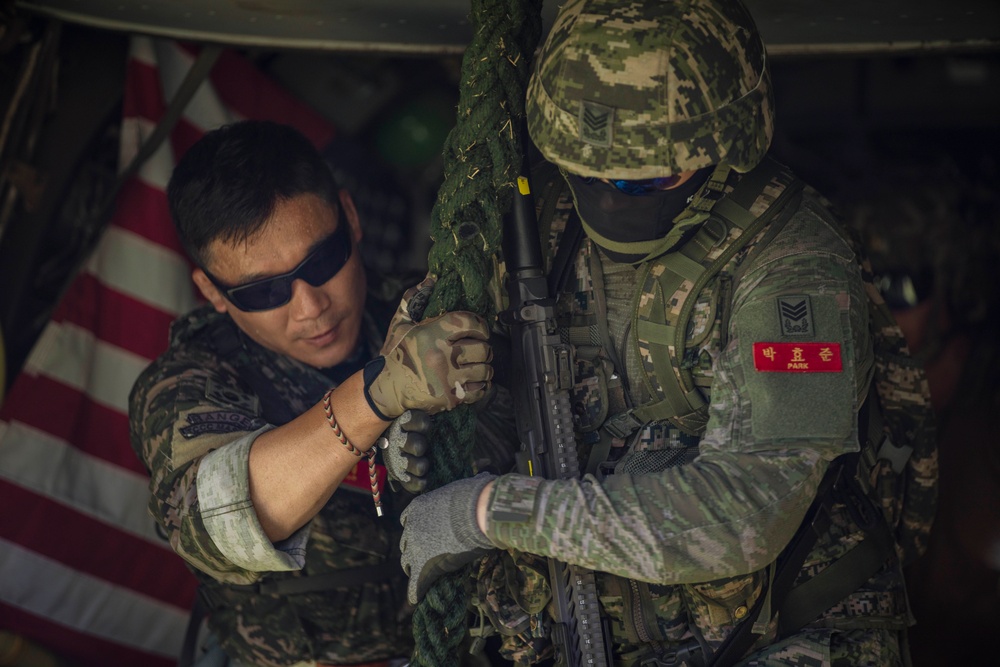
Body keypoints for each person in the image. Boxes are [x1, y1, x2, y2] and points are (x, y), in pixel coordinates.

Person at [399, 0, 926, 665]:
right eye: (588, 172)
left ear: (723, 145)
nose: (610, 194)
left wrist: (490, 511)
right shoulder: (540, 223)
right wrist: (432, 420)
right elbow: (429, 331)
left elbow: (749, 505)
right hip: (583, 629)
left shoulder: (793, 263)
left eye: (645, 177)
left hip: (779, 633)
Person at [128, 119, 493, 667]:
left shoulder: (426, 309)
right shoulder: (189, 385)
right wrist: (376, 397)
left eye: (321, 262)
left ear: (349, 217)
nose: (309, 306)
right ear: (212, 292)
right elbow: (222, 521)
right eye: (264, 290)